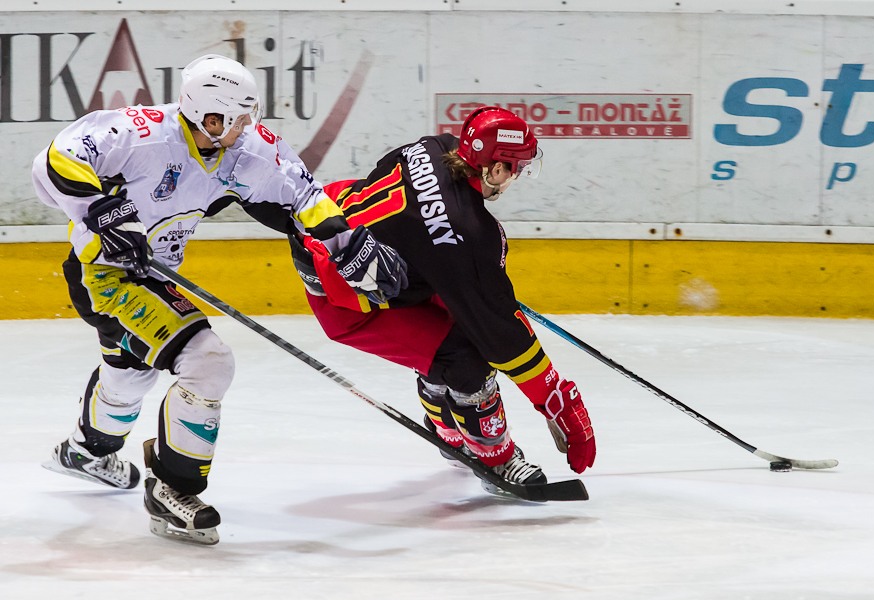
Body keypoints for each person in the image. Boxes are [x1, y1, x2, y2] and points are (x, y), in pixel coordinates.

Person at [32, 54, 407, 544]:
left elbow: (302, 194)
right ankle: (172, 488)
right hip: (104, 275)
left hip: (155, 275)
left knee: (130, 373)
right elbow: (56, 160)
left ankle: (85, 452)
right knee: (207, 360)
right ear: (210, 118)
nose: (249, 126)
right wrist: (102, 210)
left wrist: (347, 243)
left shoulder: (244, 149)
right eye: (239, 117)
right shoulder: (143, 134)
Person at [276, 106, 595, 494]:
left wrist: (472, 286)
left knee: (456, 320)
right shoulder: (468, 236)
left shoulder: (434, 146)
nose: (517, 176)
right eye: (516, 168)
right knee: (464, 357)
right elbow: (501, 337)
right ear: (495, 169)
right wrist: (554, 396)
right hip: (348, 301)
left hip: (327, 227)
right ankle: (493, 457)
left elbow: (402, 204)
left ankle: (446, 426)